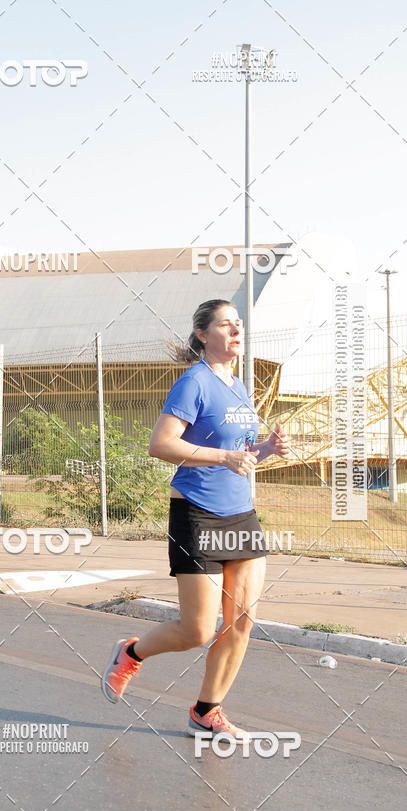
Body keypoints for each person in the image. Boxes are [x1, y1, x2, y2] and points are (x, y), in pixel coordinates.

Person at [102, 300, 290, 738]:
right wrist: (224, 456)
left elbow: (237, 452)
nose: (236, 330)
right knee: (198, 630)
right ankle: (131, 652)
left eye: (239, 324)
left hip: (240, 514)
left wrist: (265, 449)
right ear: (204, 334)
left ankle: (206, 712)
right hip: (198, 514)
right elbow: (161, 444)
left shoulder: (239, 386)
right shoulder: (194, 383)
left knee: (241, 621)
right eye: (226, 324)